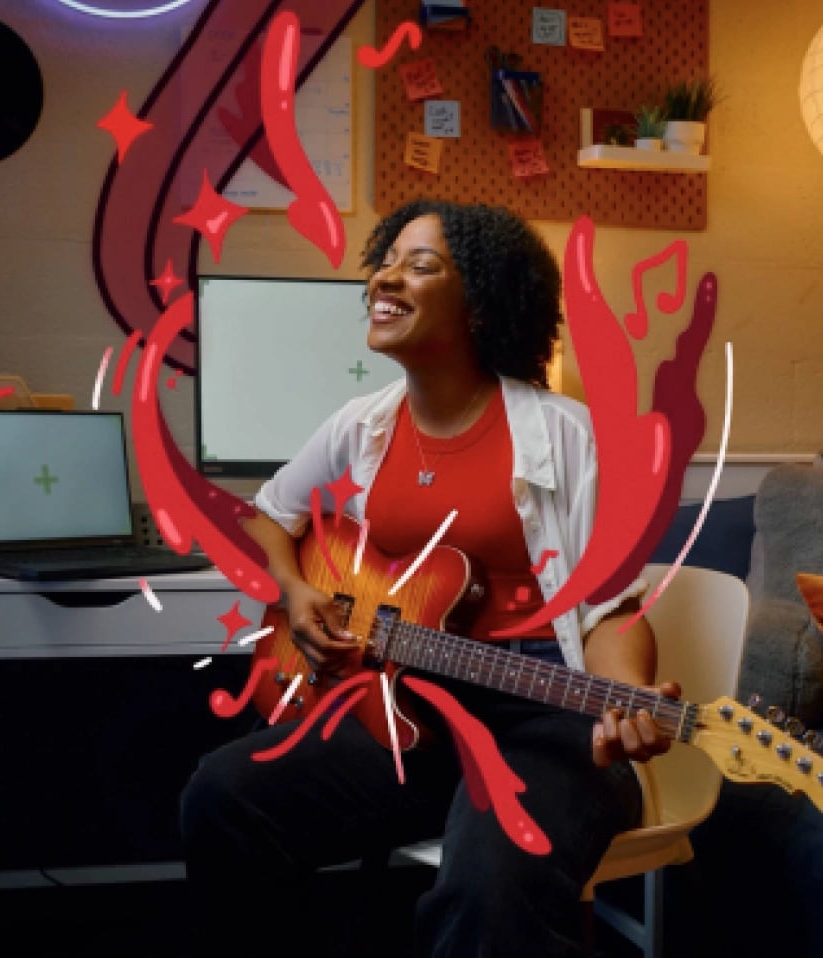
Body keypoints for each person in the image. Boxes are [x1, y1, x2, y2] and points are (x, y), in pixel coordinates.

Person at [180, 200, 680, 958]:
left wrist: (625, 704)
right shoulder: (364, 422)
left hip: (545, 722)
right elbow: (265, 518)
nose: (387, 276)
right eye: (387, 259)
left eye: (421, 265)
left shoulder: (565, 435)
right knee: (223, 797)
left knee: (491, 890)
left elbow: (611, 608)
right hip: (407, 714)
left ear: (479, 302)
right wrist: (295, 591)